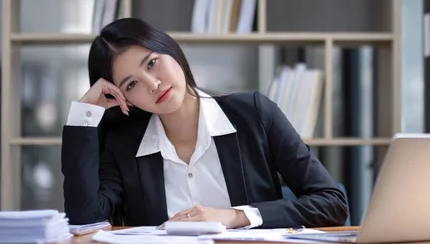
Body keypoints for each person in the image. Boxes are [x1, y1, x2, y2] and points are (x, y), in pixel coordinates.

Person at [61, 17, 349, 229]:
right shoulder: (123, 144)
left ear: (171, 50)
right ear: (125, 98)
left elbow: (332, 203)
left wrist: (237, 215)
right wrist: (85, 115)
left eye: (152, 63)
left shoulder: (254, 115)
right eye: (132, 83)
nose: (153, 83)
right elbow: (85, 219)